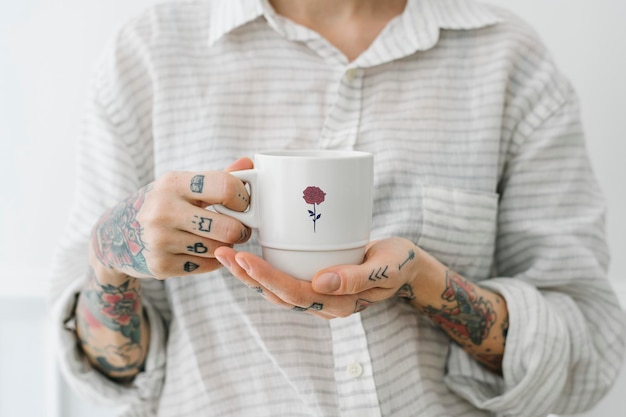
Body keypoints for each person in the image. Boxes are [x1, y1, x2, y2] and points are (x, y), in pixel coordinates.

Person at [51, 0, 626, 416]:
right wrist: (111, 251)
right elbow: (113, 377)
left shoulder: (509, 60)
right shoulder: (147, 56)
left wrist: (426, 282)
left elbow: (589, 351)